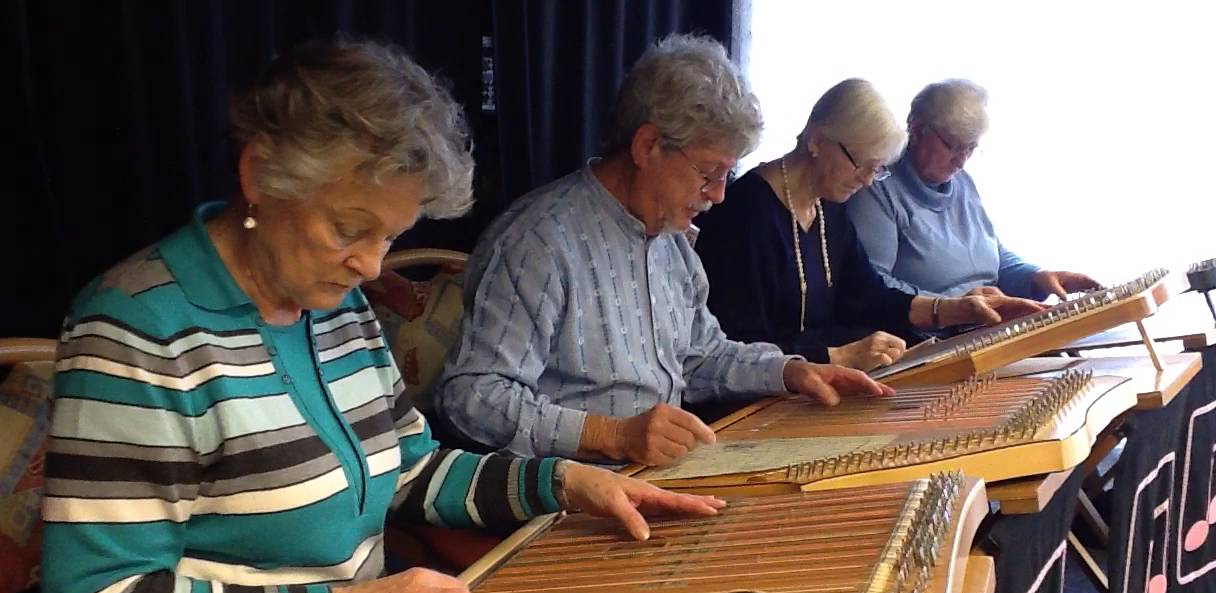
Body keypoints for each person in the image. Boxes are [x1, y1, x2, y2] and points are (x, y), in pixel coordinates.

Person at [40, 39, 724, 593]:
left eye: (390, 237)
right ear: (261, 175)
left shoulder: (335, 307)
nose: (371, 267)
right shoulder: (139, 330)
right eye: (349, 229)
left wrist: (564, 483)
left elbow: (409, 470)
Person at [435, 35, 893, 469]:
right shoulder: (538, 243)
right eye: (709, 173)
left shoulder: (671, 242)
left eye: (726, 176)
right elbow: (472, 396)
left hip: (655, 477)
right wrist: (611, 435)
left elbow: (702, 356)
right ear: (648, 146)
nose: (718, 195)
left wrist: (792, 372)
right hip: (570, 495)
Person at [696, 79, 1045, 369]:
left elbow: (867, 295)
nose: (866, 181)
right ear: (816, 140)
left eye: (875, 169)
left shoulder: (826, 207)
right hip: (759, 401)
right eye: (860, 164)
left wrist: (955, 310)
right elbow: (734, 344)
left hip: (815, 385)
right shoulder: (745, 212)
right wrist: (837, 356)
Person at [846, 79, 1099, 300]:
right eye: (953, 146)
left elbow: (993, 256)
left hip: (985, 321)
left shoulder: (961, 181)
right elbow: (872, 290)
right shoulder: (876, 188)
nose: (961, 161)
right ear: (916, 128)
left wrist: (1036, 277)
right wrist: (953, 307)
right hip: (932, 332)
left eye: (970, 149)